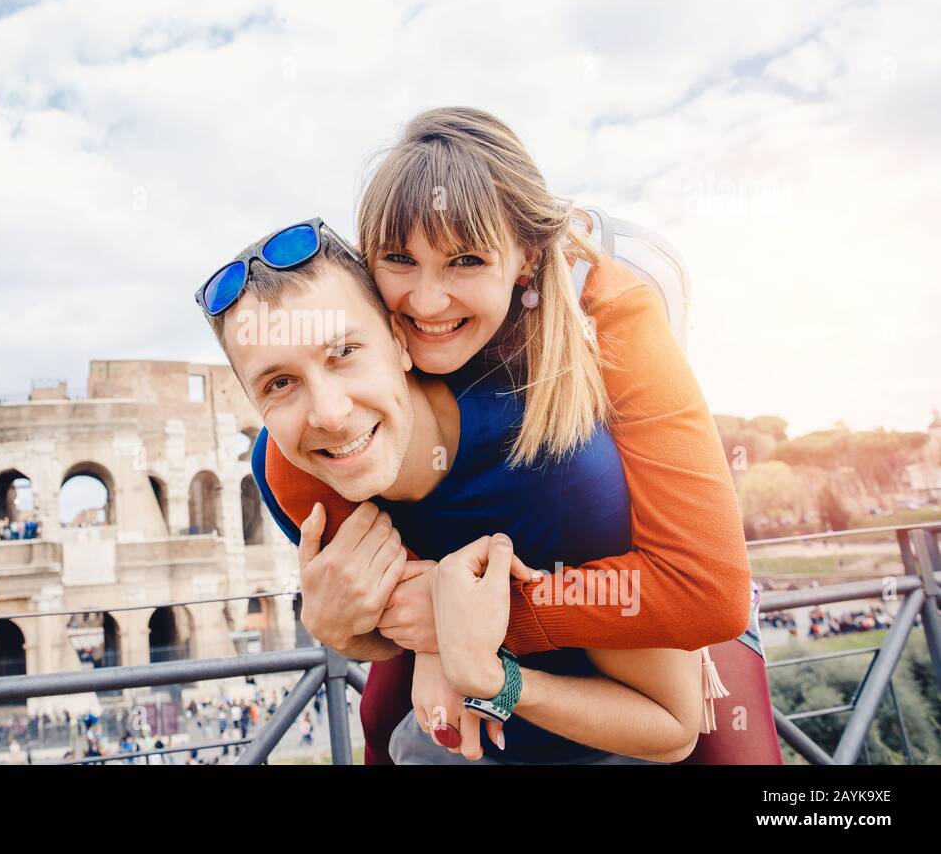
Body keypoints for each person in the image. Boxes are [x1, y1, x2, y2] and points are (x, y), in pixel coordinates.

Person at [219, 107, 779, 764]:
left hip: (640, 585)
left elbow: (705, 590)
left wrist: (479, 625)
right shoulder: (323, 421)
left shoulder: (611, 318)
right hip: (488, 583)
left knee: (739, 754)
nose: (427, 303)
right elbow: (393, 603)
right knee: (380, 721)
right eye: (400, 259)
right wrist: (372, 633)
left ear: (525, 259)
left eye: (466, 261)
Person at [199, 221, 705, 763]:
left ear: (399, 341)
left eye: (344, 352)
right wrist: (339, 632)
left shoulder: (557, 467)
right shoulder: (293, 474)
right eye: (279, 384)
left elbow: (672, 728)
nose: (329, 414)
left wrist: (489, 673)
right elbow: (393, 630)